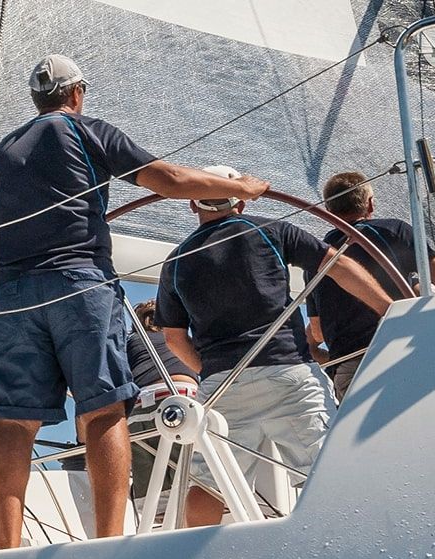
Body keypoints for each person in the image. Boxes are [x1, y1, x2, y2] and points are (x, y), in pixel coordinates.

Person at [0, 54, 271, 548]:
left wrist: (19, 298)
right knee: (104, 407)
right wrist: (240, 187)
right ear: (77, 94)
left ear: (35, 99)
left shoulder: (1, 155)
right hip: (79, 282)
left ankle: (7, 548)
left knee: (13, 420)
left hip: (9, 296)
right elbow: (171, 182)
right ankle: (108, 542)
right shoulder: (86, 131)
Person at [152, 188, 394, 523]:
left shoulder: (175, 260)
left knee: (210, 483)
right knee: (326, 470)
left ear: (193, 203)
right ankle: (351, 553)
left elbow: (174, 339)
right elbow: (338, 266)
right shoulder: (273, 230)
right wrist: (392, 310)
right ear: (241, 201)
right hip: (289, 373)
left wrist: (211, 371)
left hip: (222, 385)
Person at [306, 172, 435, 398]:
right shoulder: (393, 231)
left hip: (351, 372)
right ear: (370, 204)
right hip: (403, 354)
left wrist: (326, 356)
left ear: (328, 211)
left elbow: (317, 330)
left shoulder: (318, 254)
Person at [123, 300, 217, 523]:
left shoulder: (131, 343)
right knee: (189, 479)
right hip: (183, 401)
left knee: (152, 500)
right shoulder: (183, 341)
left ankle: (160, 519)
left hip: (140, 409)